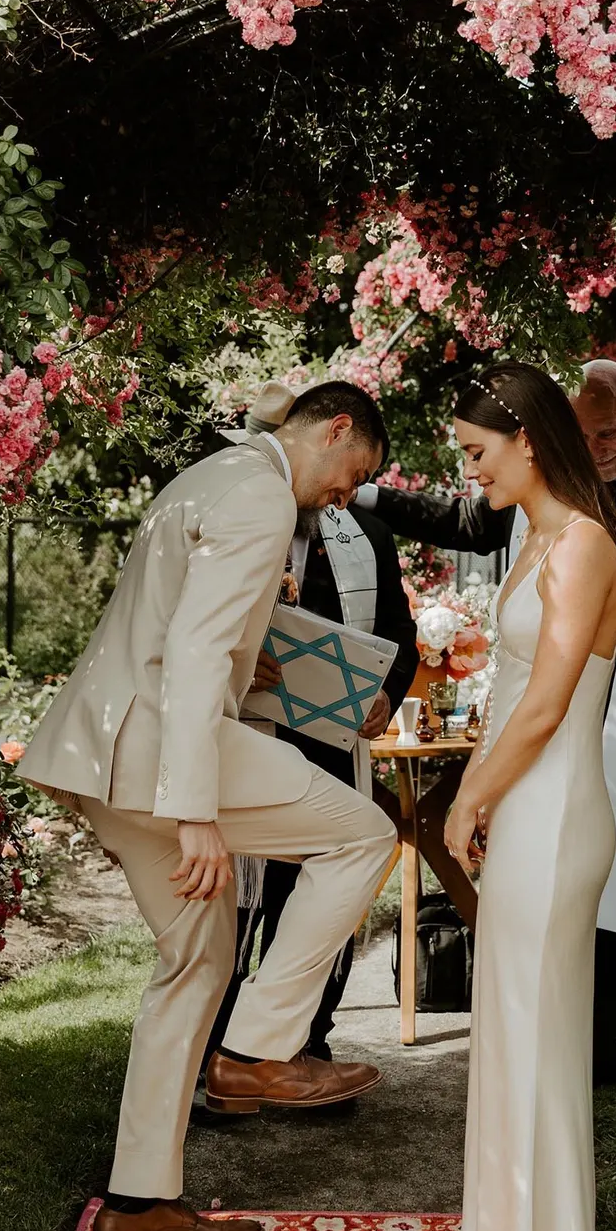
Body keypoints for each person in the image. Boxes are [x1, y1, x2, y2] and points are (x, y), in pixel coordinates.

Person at [20, 381, 397, 1231]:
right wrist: (194, 814)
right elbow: (191, 655)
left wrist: (248, 664)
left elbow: (177, 630)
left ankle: (140, 1203)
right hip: (166, 756)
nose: (347, 494)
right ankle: (258, 1050)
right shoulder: (264, 496)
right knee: (365, 834)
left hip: (107, 758)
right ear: (335, 429)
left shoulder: (206, 477)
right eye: (354, 472)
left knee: (196, 965)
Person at [360, 359, 616, 1113]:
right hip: (583, 723)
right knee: (581, 891)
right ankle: (586, 1045)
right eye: (581, 435)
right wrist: (364, 492)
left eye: (609, 434)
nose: (595, 450)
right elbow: (466, 523)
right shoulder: (554, 484)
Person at [429, 362, 616, 1231]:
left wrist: (466, 799)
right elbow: (510, 694)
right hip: (523, 805)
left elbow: (549, 706)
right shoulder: (538, 537)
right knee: (510, 1036)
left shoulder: (582, 544)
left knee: (537, 1040)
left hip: (552, 813)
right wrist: (479, 791)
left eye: (477, 452)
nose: (470, 471)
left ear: (526, 439)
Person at [203, 455, 419, 1072]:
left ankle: (303, 1042)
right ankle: (216, 1049)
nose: (347, 493)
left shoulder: (368, 536)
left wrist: (387, 695)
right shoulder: (237, 520)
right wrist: (236, 665)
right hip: (246, 737)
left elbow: (399, 635)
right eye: (349, 474)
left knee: (316, 901)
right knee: (233, 907)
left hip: (330, 744)